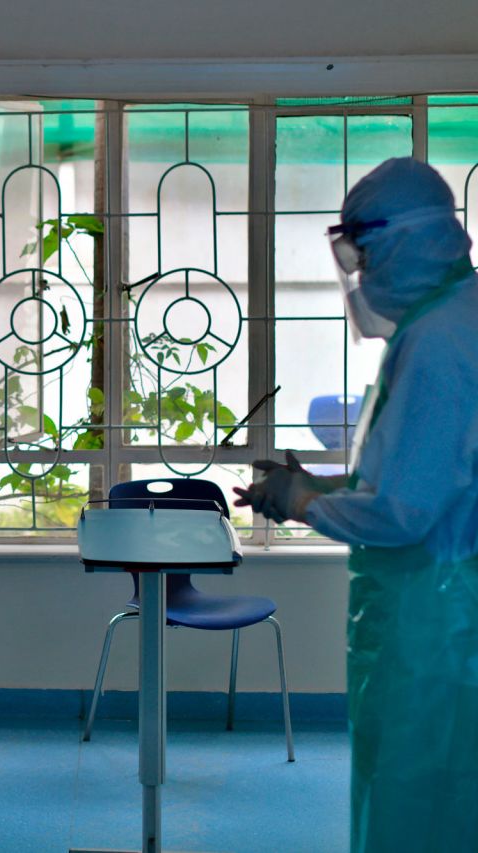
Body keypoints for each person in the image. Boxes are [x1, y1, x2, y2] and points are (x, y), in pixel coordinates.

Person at [233, 157, 478, 853]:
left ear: (405, 241)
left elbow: (404, 512)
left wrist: (307, 501)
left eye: (364, 254)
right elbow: (430, 477)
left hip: (438, 620)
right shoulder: (455, 318)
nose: (362, 275)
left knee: (420, 793)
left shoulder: (439, 344)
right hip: (446, 605)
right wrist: (319, 490)